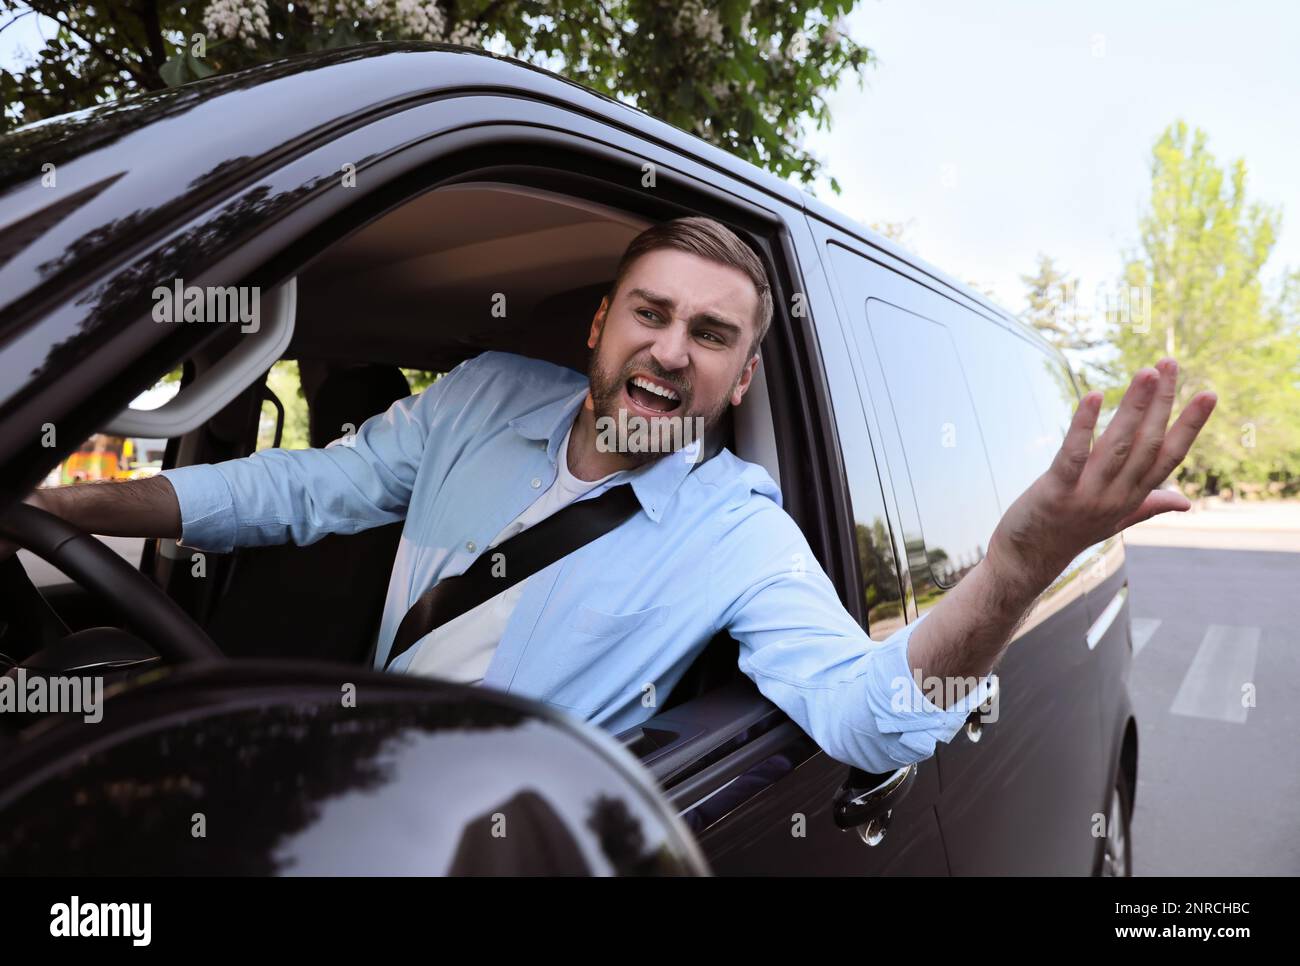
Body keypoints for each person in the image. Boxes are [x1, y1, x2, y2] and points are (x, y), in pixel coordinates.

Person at [4, 217, 1217, 775]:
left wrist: (1016, 564)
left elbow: (875, 722)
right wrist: (78, 511)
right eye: (650, 313)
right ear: (602, 324)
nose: (672, 350)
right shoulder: (480, 395)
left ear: (744, 374)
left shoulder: (741, 531)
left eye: (710, 334)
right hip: (340, 779)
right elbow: (305, 489)